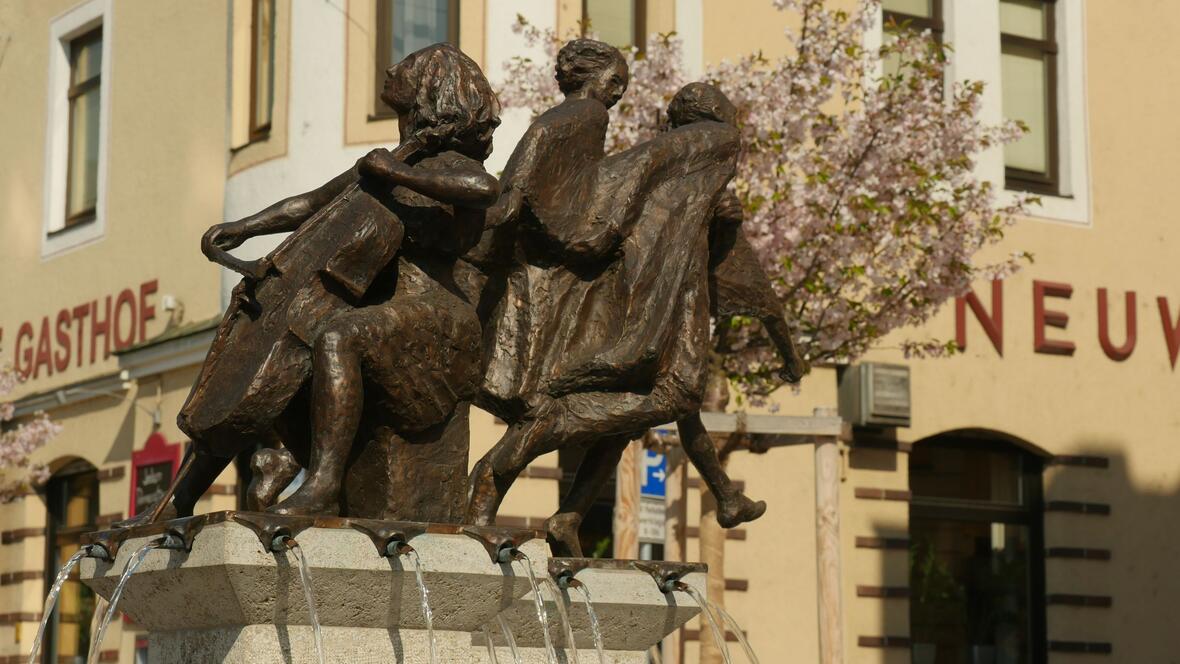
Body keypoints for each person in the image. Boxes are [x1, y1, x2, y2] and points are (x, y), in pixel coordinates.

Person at [124, 43, 501, 525]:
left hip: (437, 317)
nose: (393, 72)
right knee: (267, 368)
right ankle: (179, 498)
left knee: (336, 337)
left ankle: (320, 485)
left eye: (407, 72)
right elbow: (312, 203)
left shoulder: (451, 165)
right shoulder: (389, 162)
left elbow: (483, 191)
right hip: (387, 306)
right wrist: (248, 226)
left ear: (433, 91)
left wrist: (397, 172)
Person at [464, 41, 772, 551]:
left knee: (638, 411)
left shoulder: (671, 170)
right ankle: (513, 455)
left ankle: (572, 515)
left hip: (658, 306)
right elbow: (574, 196)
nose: (619, 91)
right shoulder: (603, 129)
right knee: (672, 396)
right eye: (615, 80)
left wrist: (719, 219)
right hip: (639, 307)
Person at [533, 83, 812, 555]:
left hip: (644, 315)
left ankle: (572, 514)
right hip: (666, 320)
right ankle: (723, 495)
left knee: (636, 423)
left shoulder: (664, 179)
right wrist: (788, 353)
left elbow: (732, 270)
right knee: (674, 401)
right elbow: (740, 278)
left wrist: (726, 226)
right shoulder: (694, 179)